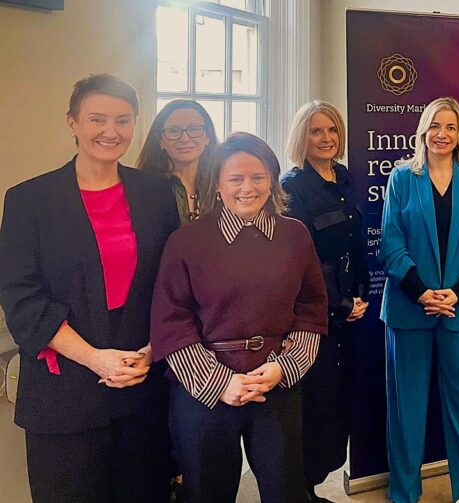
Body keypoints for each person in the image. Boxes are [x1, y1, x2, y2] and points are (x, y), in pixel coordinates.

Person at [0, 74, 179, 502]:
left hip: (141, 380)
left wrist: (152, 349)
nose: (110, 131)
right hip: (65, 392)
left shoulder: (156, 194)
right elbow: (21, 297)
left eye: (123, 120)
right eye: (97, 119)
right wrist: (96, 359)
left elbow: (172, 283)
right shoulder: (29, 200)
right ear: (73, 123)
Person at [150, 132, 328, 502]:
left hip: (275, 383)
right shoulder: (187, 241)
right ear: (217, 184)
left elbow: (311, 308)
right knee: (206, 492)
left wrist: (285, 367)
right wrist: (220, 383)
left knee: (286, 490)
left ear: (272, 180)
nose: (247, 188)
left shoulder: (295, 235)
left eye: (258, 177)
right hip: (204, 389)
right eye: (235, 178)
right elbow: (171, 321)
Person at [379, 97, 459, 503]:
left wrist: (456, 293)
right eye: (435, 125)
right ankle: (404, 494)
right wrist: (422, 293)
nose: (442, 134)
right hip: (409, 309)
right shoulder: (401, 177)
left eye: (450, 126)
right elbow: (391, 244)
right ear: (423, 130)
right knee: (407, 409)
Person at [281, 100, 369, 502]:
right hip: (315, 315)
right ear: (302, 136)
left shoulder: (344, 178)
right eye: (316, 131)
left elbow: (355, 243)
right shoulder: (293, 188)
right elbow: (303, 260)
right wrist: (339, 305)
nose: (326, 138)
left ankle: (312, 486)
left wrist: (359, 295)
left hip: (349, 311)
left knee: (338, 405)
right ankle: (301, 490)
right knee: (312, 408)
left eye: (332, 130)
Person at [136, 99, 219, 224]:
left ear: (208, 136)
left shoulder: (221, 184)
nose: (185, 139)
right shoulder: (143, 188)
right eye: (174, 131)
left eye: (194, 129)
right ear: (160, 140)